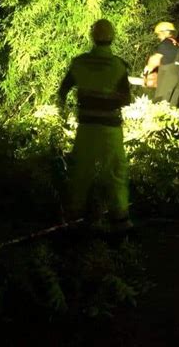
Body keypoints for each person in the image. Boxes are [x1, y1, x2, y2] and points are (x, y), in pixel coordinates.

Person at [58, 19, 132, 232]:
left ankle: (75, 216)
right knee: (116, 171)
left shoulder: (79, 63)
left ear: (92, 37)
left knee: (81, 170)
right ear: (113, 37)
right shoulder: (118, 65)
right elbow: (126, 98)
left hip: (87, 126)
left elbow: (63, 90)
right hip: (110, 127)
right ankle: (120, 219)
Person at [143, 21, 179, 106]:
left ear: (164, 32)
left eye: (159, 34)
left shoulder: (165, 44)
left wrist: (147, 71)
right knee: (172, 107)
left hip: (168, 78)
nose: (158, 37)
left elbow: (156, 59)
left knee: (160, 104)